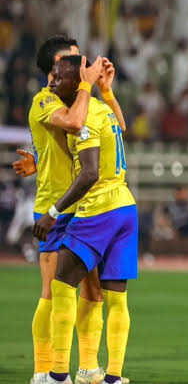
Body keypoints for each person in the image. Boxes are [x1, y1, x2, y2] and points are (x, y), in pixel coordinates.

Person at [13, 34, 127, 384]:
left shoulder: (76, 96)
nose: (83, 64)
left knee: (92, 292)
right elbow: (76, 123)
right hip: (55, 207)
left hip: (86, 205)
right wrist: (88, 87)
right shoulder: (45, 99)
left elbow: (115, 131)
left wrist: (105, 91)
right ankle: (43, 370)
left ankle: (87, 367)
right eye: (74, 59)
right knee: (52, 291)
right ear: (55, 69)